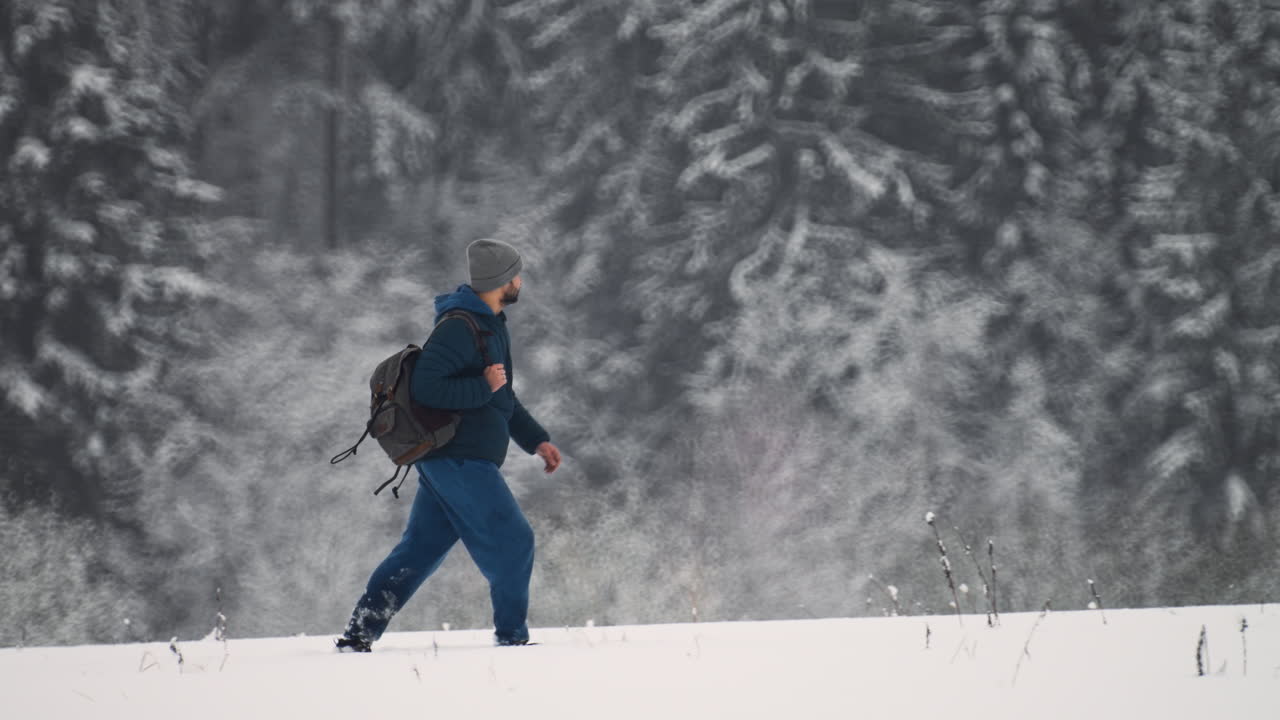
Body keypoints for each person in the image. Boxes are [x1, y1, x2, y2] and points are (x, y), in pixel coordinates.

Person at [336, 238, 563, 652]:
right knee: (515, 540)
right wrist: (484, 385)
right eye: (515, 274)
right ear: (500, 281)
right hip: (460, 460)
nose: (519, 280)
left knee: (419, 550)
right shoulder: (459, 327)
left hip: (453, 462)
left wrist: (537, 440)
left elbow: (502, 397)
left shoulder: (491, 326)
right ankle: (513, 639)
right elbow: (427, 388)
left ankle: (359, 634)